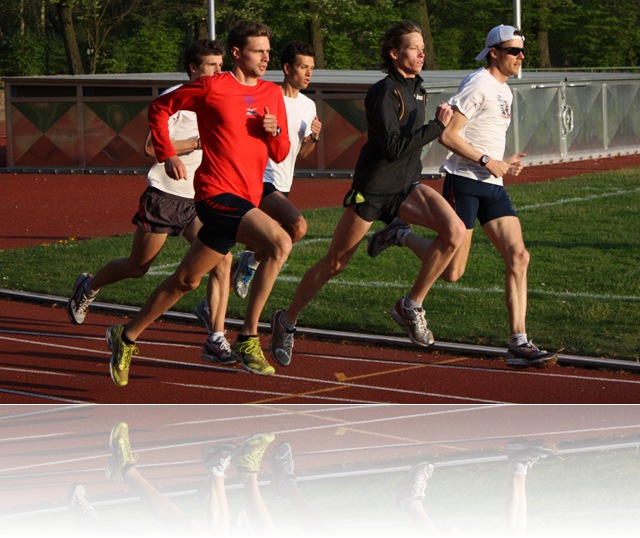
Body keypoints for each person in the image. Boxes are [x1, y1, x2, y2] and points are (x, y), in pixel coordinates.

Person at [269, 20, 466, 366]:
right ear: (394, 54)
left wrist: (435, 127)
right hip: (373, 191)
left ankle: (411, 305)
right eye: (413, 47)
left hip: (406, 187)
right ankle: (286, 321)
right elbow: (392, 147)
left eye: (422, 47)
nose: (422, 52)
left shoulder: (418, 89)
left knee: (454, 232)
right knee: (335, 263)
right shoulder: (383, 93)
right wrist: (436, 127)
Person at [105, 20, 291, 385]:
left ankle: (125, 337)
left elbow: (281, 154)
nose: (266, 57)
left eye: (268, 50)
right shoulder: (210, 86)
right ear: (237, 53)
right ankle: (250, 338)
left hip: (246, 196)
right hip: (214, 194)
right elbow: (158, 109)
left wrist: (276, 131)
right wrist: (166, 152)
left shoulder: (271, 94)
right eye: (258, 50)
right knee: (280, 241)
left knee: (186, 281)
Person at [368, 25, 557, 369]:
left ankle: (518, 342)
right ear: (494, 52)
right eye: (514, 51)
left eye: (521, 51)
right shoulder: (478, 84)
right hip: (465, 181)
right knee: (453, 271)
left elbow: (482, 138)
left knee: (519, 257)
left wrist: (503, 162)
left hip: (492, 186)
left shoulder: (505, 91)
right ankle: (401, 235)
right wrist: (487, 161)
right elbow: (448, 136)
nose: (520, 57)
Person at [66, 39, 237, 366]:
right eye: (212, 66)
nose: (219, 71)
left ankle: (215, 336)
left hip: (200, 197)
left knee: (223, 260)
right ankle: (88, 286)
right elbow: (148, 146)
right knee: (137, 267)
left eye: (221, 64)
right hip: (165, 194)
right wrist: (193, 144)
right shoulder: (174, 97)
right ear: (194, 69)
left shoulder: (219, 97)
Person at [230, 41, 322, 300]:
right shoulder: (266, 94)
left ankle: (209, 306)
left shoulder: (308, 106)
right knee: (297, 227)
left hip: (283, 184)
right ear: (286, 68)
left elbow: (300, 155)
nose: (308, 73)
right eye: (303, 66)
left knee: (253, 250)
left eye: (311, 68)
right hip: (259, 179)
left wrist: (313, 139)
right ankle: (251, 260)